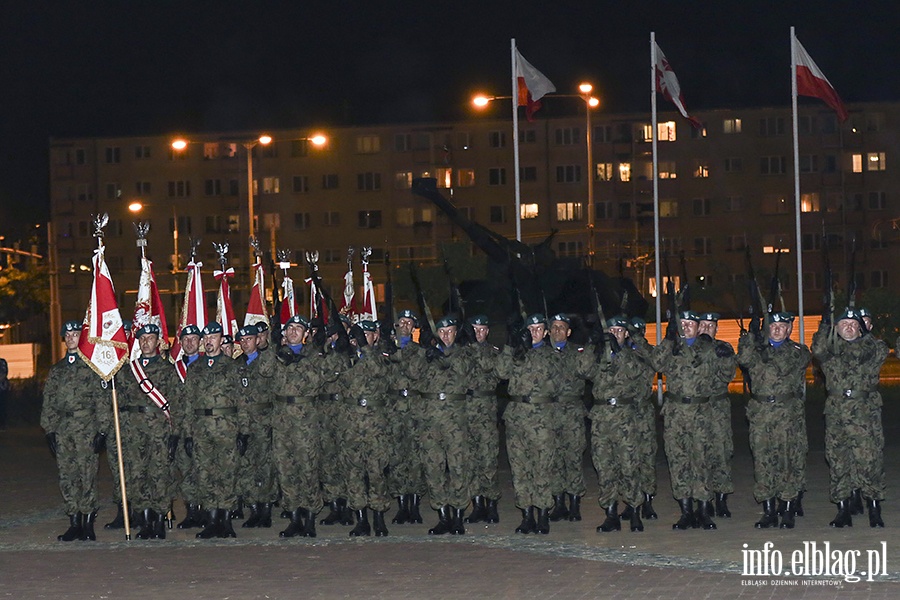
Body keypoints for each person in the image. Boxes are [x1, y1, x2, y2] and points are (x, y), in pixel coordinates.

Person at [649, 311, 736, 531]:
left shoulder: (707, 349)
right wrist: (668, 339)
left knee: (702, 461)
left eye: (691, 324)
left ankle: (704, 510)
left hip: (701, 413)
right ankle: (686, 511)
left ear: (698, 327)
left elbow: (727, 375)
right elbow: (657, 364)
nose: (687, 327)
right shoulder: (673, 347)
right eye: (683, 324)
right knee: (678, 461)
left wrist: (726, 357)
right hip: (676, 413)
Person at [812, 308, 889, 528]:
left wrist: (866, 334)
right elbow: (817, 349)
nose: (849, 327)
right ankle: (843, 508)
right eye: (843, 323)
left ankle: (874, 507)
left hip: (863, 412)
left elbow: (879, 351)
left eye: (853, 324)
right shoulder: (831, 352)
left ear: (860, 328)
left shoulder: (870, 349)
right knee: (838, 461)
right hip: (836, 412)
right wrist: (824, 325)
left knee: (869, 461)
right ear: (836, 328)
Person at [410, 315, 485, 535]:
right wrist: (424, 351)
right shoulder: (426, 355)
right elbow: (412, 373)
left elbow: (465, 371)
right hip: (430, 420)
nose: (445, 336)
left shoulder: (464, 354)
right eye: (441, 333)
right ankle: (443, 515)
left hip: (456, 420)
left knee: (459, 468)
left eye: (450, 332)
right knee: (433, 468)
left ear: (456, 333)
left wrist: (443, 355)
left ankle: (459, 515)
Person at [579, 316, 655, 533]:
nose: (615, 335)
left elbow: (634, 372)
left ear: (627, 334)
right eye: (611, 331)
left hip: (625, 417)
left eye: (619, 331)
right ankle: (610, 513)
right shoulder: (599, 357)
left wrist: (619, 352)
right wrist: (591, 344)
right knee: (605, 467)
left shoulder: (633, 356)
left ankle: (634, 509)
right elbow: (583, 371)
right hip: (602, 417)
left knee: (629, 465)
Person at [737, 312, 810, 529]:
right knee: (762, 462)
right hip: (761, 414)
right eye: (773, 326)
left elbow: (786, 365)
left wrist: (763, 347)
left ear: (789, 329)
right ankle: (768, 511)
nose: (777, 330)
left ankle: (787, 509)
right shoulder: (756, 350)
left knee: (787, 461)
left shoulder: (798, 352)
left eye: (782, 326)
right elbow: (743, 359)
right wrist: (751, 336)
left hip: (787, 415)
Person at [257, 316, 328, 537]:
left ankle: (310, 517)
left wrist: (299, 362)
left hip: (305, 421)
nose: (294, 332)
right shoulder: (277, 355)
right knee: (285, 470)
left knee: (307, 469)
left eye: (299, 328)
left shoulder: (314, 355)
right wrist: (273, 347)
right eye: (290, 328)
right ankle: (294, 517)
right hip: (282, 422)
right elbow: (264, 370)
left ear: (306, 334)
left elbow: (318, 380)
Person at [41, 321, 107, 542]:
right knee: (67, 476)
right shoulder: (57, 370)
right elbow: (49, 401)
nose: (71, 338)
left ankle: (88, 523)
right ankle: (74, 522)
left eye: (75, 334)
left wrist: (103, 431)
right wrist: (49, 430)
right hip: (64, 429)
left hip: (86, 427)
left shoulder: (91, 368)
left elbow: (101, 400)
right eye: (67, 335)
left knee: (87, 475)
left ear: (82, 337)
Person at [113, 323, 179, 539]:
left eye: (150, 338)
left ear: (158, 342)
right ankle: (145, 520)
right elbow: (118, 401)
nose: (146, 342)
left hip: (158, 429)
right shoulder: (128, 371)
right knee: (137, 474)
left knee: (159, 474)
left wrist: (175, 433)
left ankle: (159, 520)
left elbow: (177, 403)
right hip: (134, 430)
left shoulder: (167, 370)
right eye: (142, 339)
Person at [494, 314, 559, 535]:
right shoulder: (516, 353)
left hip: (541, 418)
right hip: (517, 417)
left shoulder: (551, 355)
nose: (535, 333)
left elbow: (554, 379)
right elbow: (501, 372)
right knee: (520, 469)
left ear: (546, 332)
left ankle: (542, 513)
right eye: (530, 329)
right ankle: (526, 514)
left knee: (542, 467)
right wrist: (510, 345)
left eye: (539, 329)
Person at [182, 322, 246, 538]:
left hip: (227, 427)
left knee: (227, 474)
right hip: (201, 429)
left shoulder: (233, 366)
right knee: (205, 473)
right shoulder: (195, 368)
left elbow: (242, 400)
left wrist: (243, 431)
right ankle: (211, 520)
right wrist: (188, 433)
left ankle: (226, 521)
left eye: (214, 337)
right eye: (206, 338)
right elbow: (188, 402)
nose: (209, 341)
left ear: (221, 340)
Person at [332, 320, 393, 537]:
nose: (362, 339)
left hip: (374, 423)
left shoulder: (383, 356)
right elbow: (329, 376)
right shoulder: (346, 360)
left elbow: (379, 372)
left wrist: (365, 347)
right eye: (359, 336)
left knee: (376, 471)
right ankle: (360, 518)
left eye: (367, 335)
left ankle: (378, 516)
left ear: (375, 337)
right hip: (350, 424)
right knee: (354, 471)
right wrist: (335, 351)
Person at [234, 324, 278, 531]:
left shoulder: (266, 361)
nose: (245, 343)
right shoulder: (236, 365)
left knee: (265, 468)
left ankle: (266, 510)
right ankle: (253, 510)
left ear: (257, 340)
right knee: (246, 468)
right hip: (243, 424)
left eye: (249, 339)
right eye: (242, 340)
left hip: (264, 421)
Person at [385, 309, 427, 526]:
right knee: (397, 457)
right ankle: (402, 504)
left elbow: (415, 372)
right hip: (393, 409)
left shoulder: (419, 351)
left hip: (414, 408)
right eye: (401, 322)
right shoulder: (386, 349)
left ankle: (415, 504)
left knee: (416, 458)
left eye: (409, 323)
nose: (404, 326)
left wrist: (401, 348)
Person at [546, 314, 588, 524]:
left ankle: (574, 503)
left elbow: (586, 371)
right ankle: (558, 503)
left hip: (572, 412)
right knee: (553, 460)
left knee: (573, 459)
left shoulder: (578, 352)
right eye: (553, 327)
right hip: (549, 412)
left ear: (569, 332)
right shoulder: (543, 353)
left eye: (561, 328)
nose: (557, 331)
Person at [463, 315, 502, 524]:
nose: (478, 333)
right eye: (474, 329)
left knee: (488, 461)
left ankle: (492, 504)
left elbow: (489, 368)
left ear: (487, 332)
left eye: (481, 330)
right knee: (471, 462)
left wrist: (474, 346)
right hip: (467, 412)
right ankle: (477, 504)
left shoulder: (493, 353)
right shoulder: (464, 352)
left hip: (486, 413)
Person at [698, 312, 735, 518]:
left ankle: (721, 498)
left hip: (718, 408)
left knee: (721, 452)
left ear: (716, 329)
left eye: (710, 326)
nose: (706, 329)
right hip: (696, 410)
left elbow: (729, 375)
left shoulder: (724, 347)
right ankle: (704, 498)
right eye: (702, 325)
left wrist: (725, 358)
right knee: (699, 455)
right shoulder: (690, 349)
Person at [172, 324, 206, 531]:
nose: (190, 342)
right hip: (180, 429)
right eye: (186, 340)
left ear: (200, 342)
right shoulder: (173, 369)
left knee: (204, 471)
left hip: (203, 429)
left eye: (194, 339)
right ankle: (191, 511)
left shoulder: (206, 366)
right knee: (185, 472)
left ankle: (206, 511)